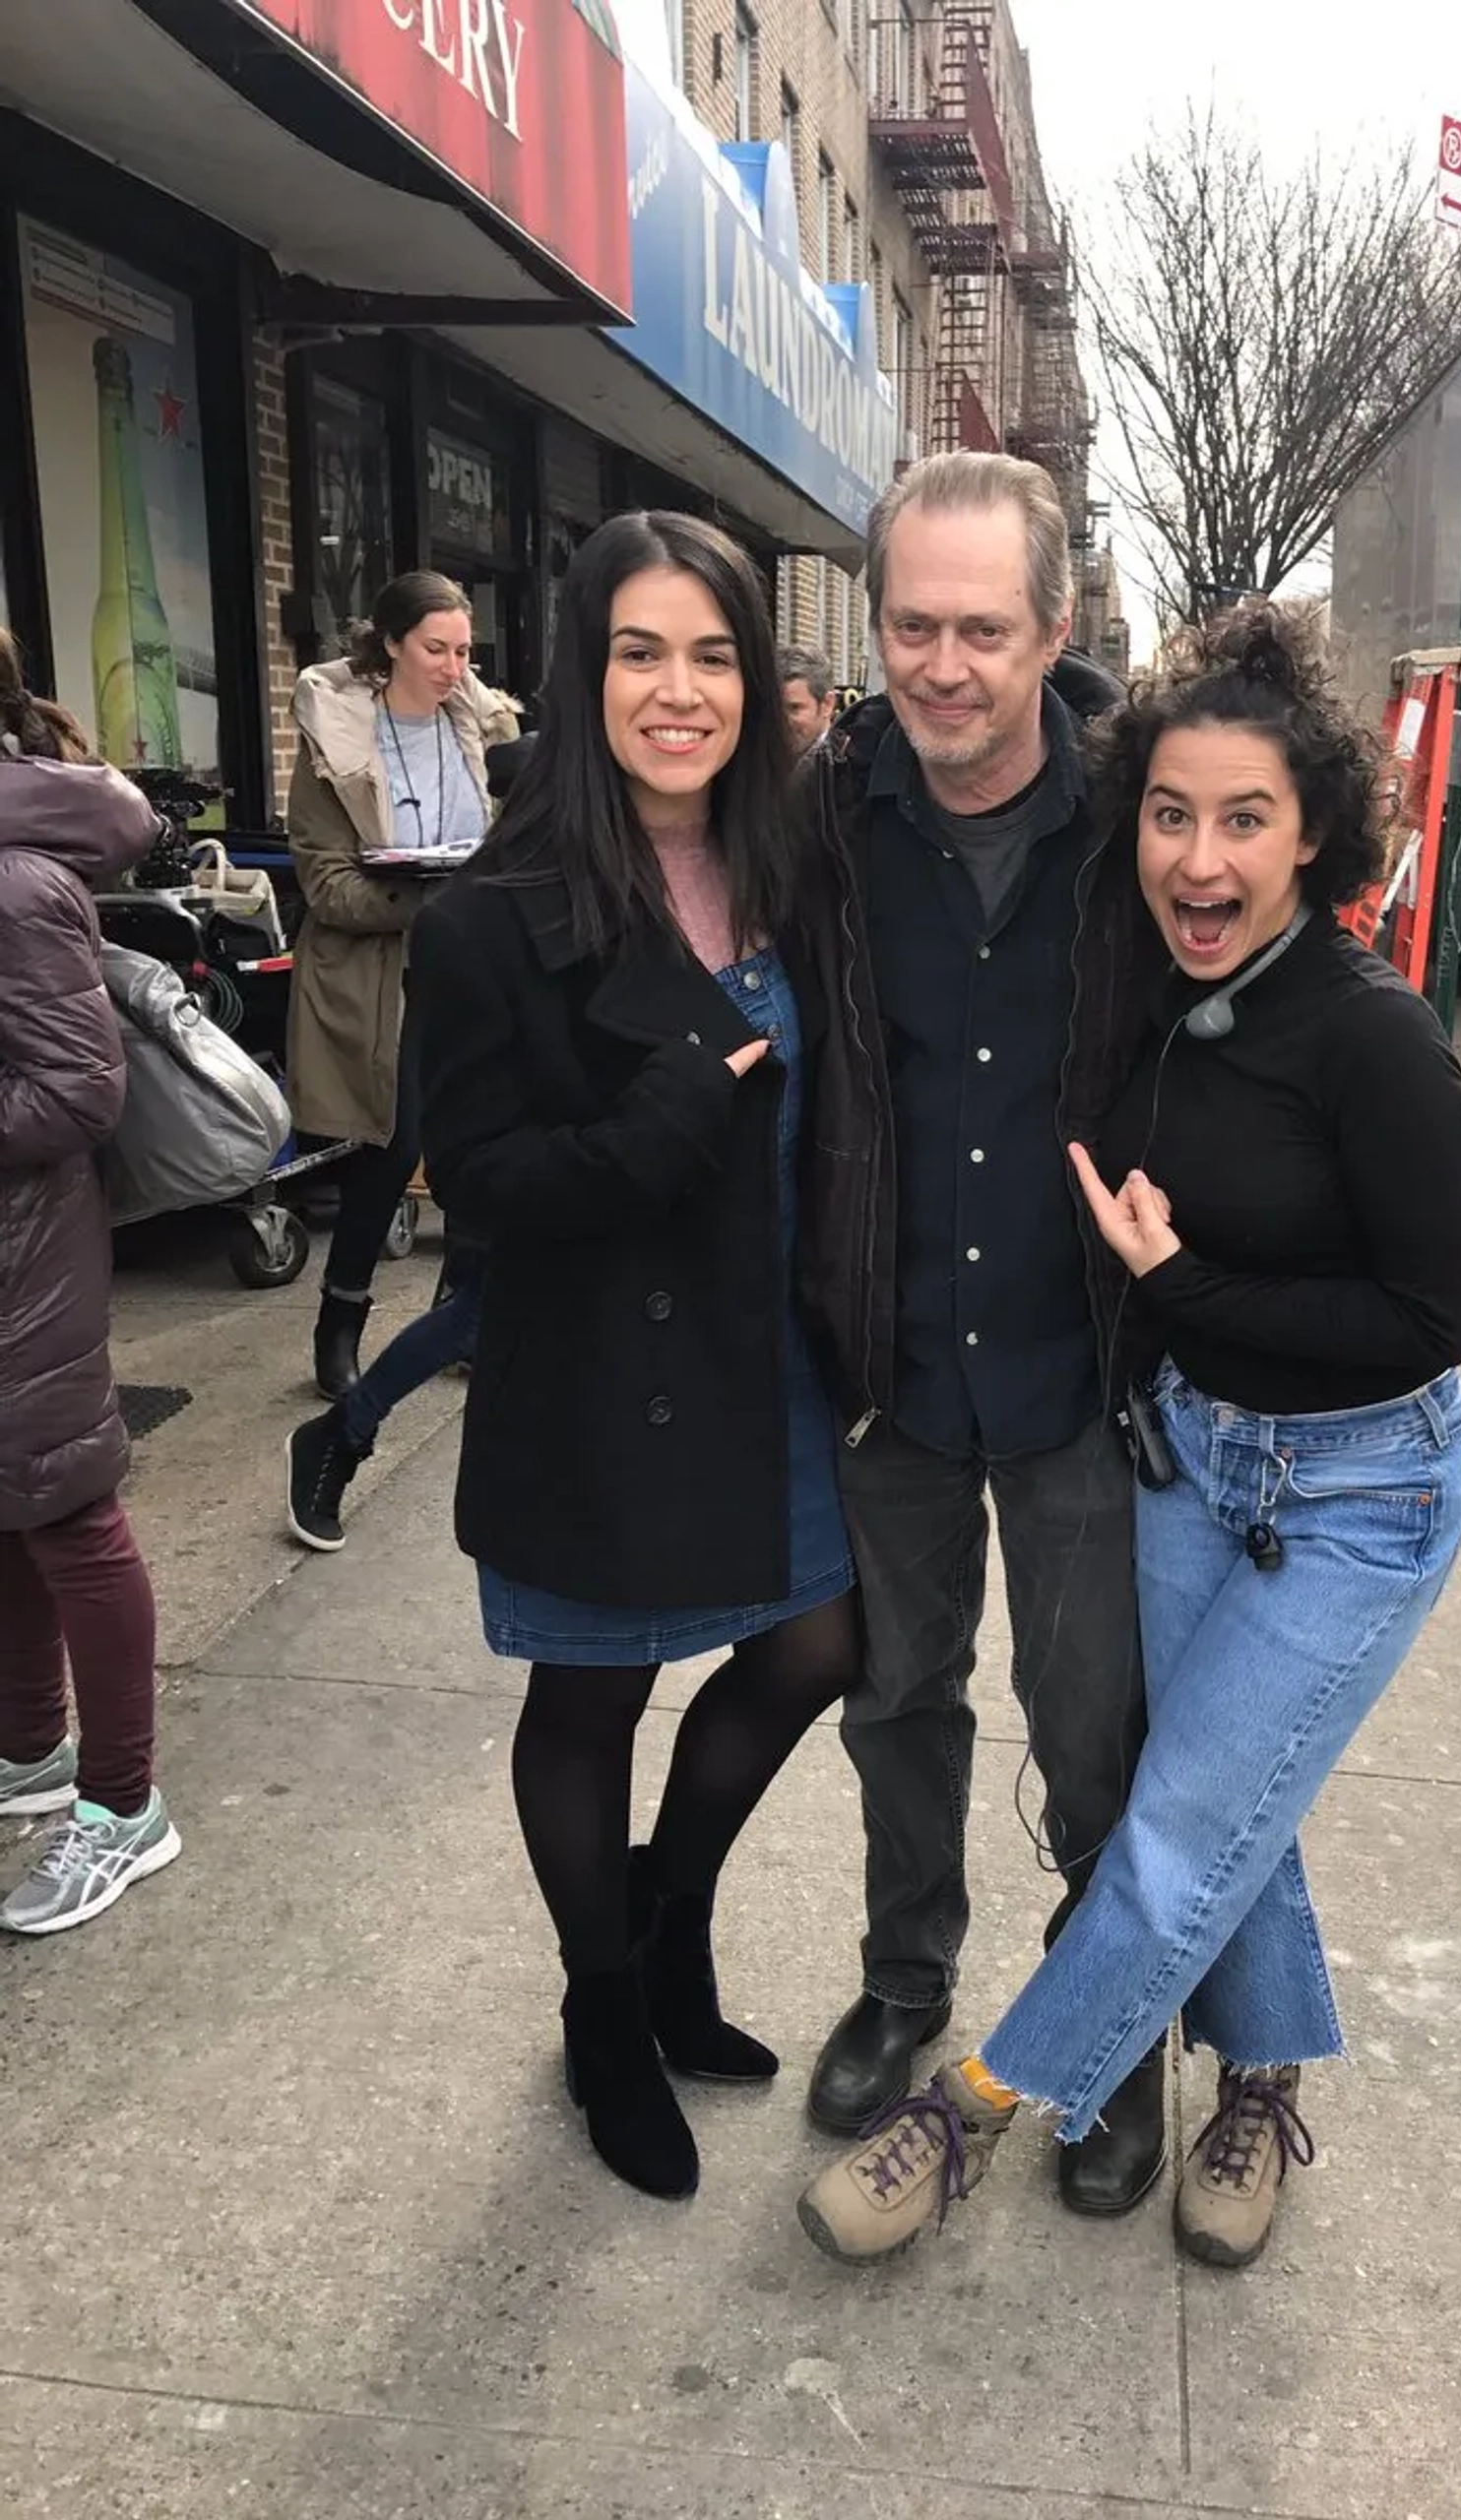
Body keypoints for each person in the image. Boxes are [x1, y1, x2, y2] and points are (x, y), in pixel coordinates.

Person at [797, 600, 1461, 2270]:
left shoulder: (1373, 1037)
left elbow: (1428, 1324)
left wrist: (1185, 1283)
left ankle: (978, 2106)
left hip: (1365, 1486)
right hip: (1193, 1457)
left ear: (1313, 831)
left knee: (1179, 1823)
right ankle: (1259, 2077)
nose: (1200, 853)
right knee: (1228, 1792)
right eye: (1171, 814)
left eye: (1246, 818)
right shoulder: (1155, 994)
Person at [408, 513, 858, 2201]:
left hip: (772, 1362)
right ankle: (607, 2012)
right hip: (597, 1374)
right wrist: (671, 1116)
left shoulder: (799, 876)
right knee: (589, 1698)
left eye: (716, 653)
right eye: (641, 652)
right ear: (585, 670)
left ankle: (667, 1923)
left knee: (821, 1643)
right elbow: (491, 1194)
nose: (682, 691)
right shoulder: (492, 920)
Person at [796, 450, 1169, 2217]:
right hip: (894, 1369)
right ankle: (905, 1986)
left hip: (1086, 1372)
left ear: (1057, 628)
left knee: (1094, 1729)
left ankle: (1099, 2037)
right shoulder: (820, 812)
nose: (940, 666)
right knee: (897, 1704)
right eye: (911, 626)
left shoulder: (1140, 816)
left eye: (980, 630)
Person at [0, 634, 182, 1934]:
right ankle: (29, 1754)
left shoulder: (14, 885)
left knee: (67, 1509)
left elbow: (78, 1089)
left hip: (22, 1262)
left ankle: (124, 1808)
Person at [281, 733, 539, 1551]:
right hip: (513, 1153)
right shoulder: (474, 910)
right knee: (481, 1312)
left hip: (563, 1146)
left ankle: (344, 1433)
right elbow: (446, 1061)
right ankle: (341, 1432)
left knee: (493, 1318)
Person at [286, 570, 517, 1403]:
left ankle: (463, 1321)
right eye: (437, 649)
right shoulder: (336, 748)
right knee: (389, 1154)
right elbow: (326, 889)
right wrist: (426, 897)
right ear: (389, 645)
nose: (456, 666)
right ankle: (338, 1326)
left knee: (481, 1148)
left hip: (479, 972)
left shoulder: (483, 734)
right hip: (387, 977)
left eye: (465, 650)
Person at [779, 645, 837, 758]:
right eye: (776, 709)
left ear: (827, 705)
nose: (782, 721)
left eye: (794, 708)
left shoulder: (853, 767)